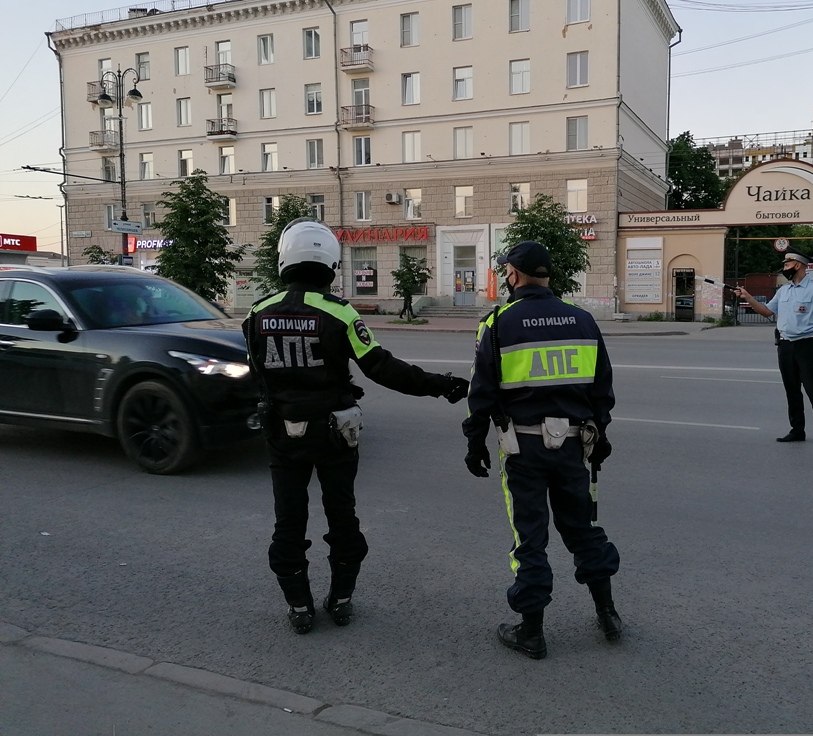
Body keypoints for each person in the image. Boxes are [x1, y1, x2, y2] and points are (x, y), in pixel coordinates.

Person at [243, 218, 469, 634]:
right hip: (333, 434)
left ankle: (299, 608)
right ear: (329, 264)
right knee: (341, 517)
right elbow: (381, 367)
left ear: (284, 260)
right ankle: (341, 600)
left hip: (282, 436)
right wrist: (442, 386)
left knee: (288, 523)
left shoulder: (257, 313)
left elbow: (261, 374)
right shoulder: (339, 312)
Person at [462, 240, 620, 660]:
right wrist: (600, 436)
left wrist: (473, 439)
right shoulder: (583, 321)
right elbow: (602, 389)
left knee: (529, 538)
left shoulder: (496, 323)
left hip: (523, 450)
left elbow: (482, 392)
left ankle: (531, 633)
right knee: (583, 529)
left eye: (505, 272)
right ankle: (608, 614)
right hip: (573, 447)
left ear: (513, 274)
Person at [734, 251, 813, 448]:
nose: (784, 268)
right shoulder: (784, 290)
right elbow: (767, 311)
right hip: (785, 346)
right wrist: (747, 296)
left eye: (787, 264)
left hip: (807, 346)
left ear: (797, 265)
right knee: (792, 390)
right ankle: (797, 430)